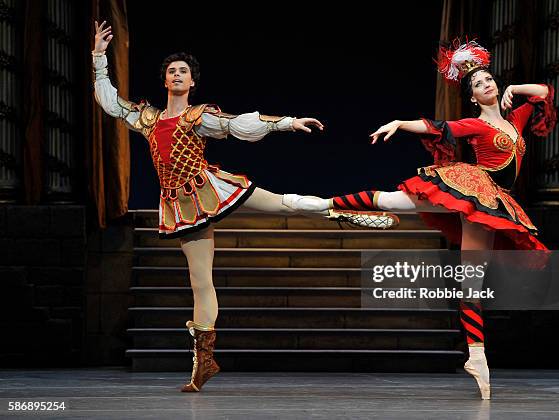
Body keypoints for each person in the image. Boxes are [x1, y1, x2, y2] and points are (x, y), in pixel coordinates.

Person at [91, 20, 398, 393]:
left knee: (285, 204)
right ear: (164, 80)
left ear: (192, 82)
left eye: (182, 71)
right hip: (183, 205)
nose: (176, 74)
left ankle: (340, 211)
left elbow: (239, 125)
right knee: (200, 282)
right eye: (171, 70)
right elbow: (111, 103)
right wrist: (99, 56)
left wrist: (286, 123)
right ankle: (204, 362)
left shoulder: (198, 115)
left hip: (213, 187)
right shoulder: (149, 119)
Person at [292, 39, 556, 400]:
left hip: (494, 200)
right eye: (479, 85)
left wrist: (515, 87)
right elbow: (438, 127)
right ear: (473, 98)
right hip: (475, 188)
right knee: (393, 200)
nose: (488, 85)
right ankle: (321, 204)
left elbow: (542, 93)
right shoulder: (474, 124)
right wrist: (400, 123)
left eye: (490, 80)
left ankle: (476, 357)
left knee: (471, 283)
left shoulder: (516, 120)